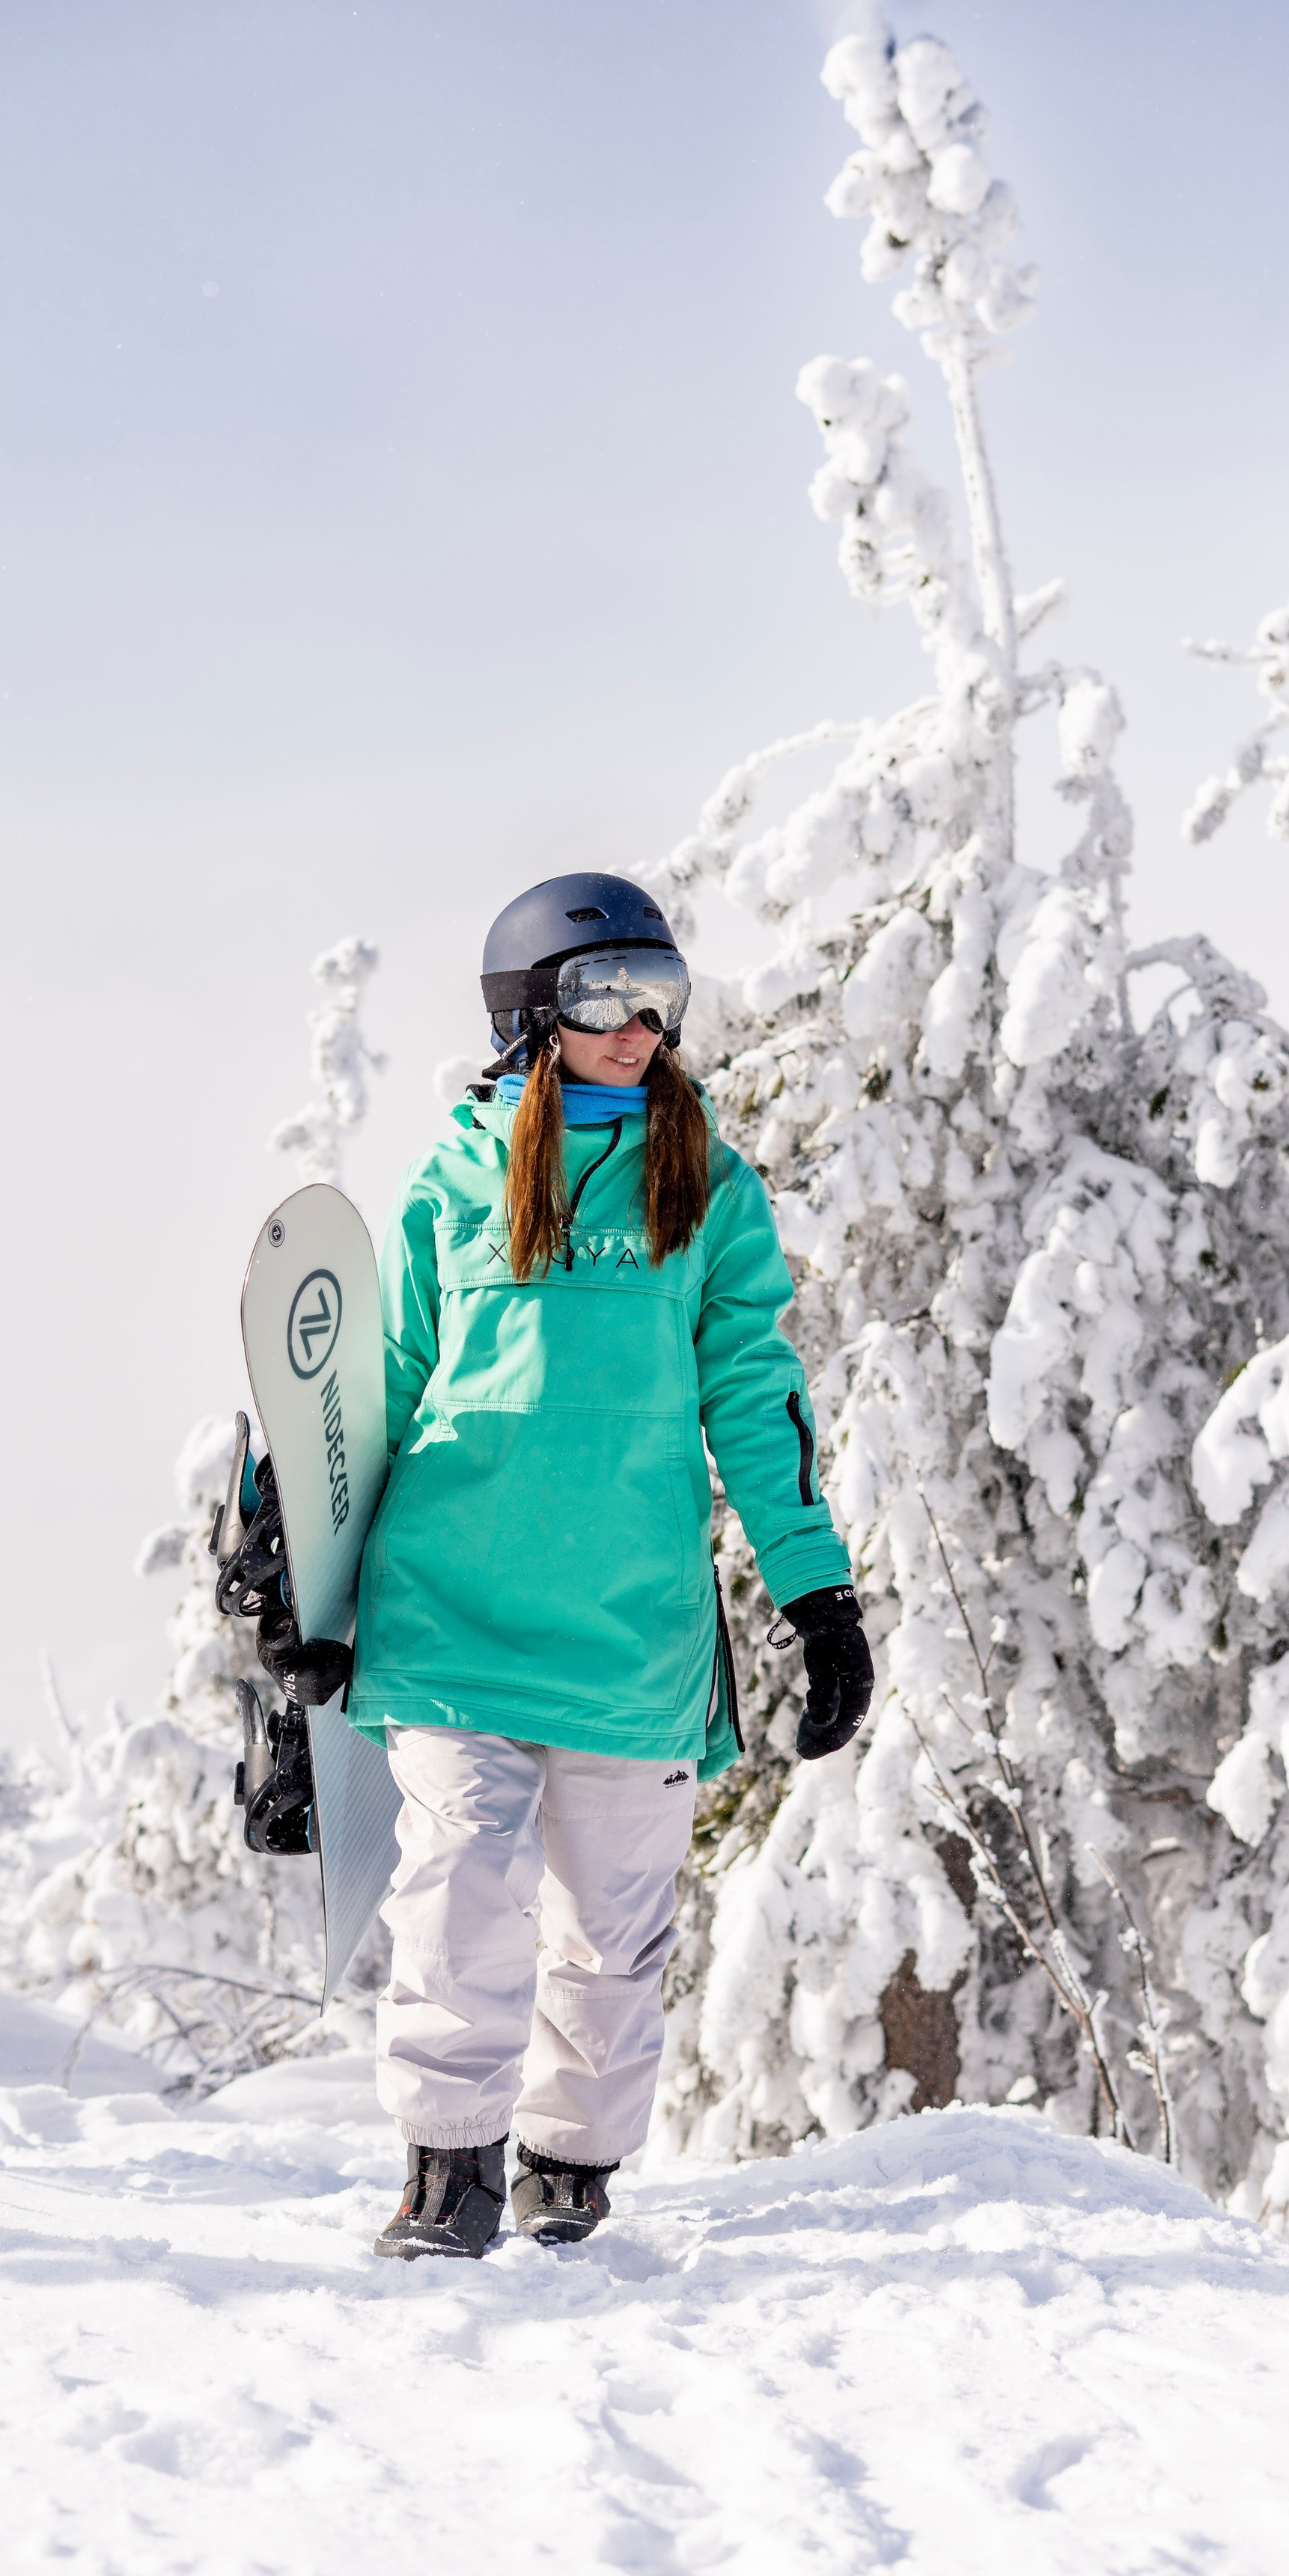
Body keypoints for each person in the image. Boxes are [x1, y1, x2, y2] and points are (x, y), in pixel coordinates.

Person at [344, 872, 873, 2259]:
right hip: (452, 1607)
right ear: (527, 1013)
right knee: (458, 1888)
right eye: (603, 996)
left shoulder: (708, 1189)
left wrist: (818, 1595)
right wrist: (304, 1581)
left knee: (611, 1925)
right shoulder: (456, 1178)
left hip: (633, 1623)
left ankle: (568, 2165)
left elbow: (754, 1398)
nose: (641, 1027)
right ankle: (447, 2169)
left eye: (661, 997)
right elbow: (381, 1388)